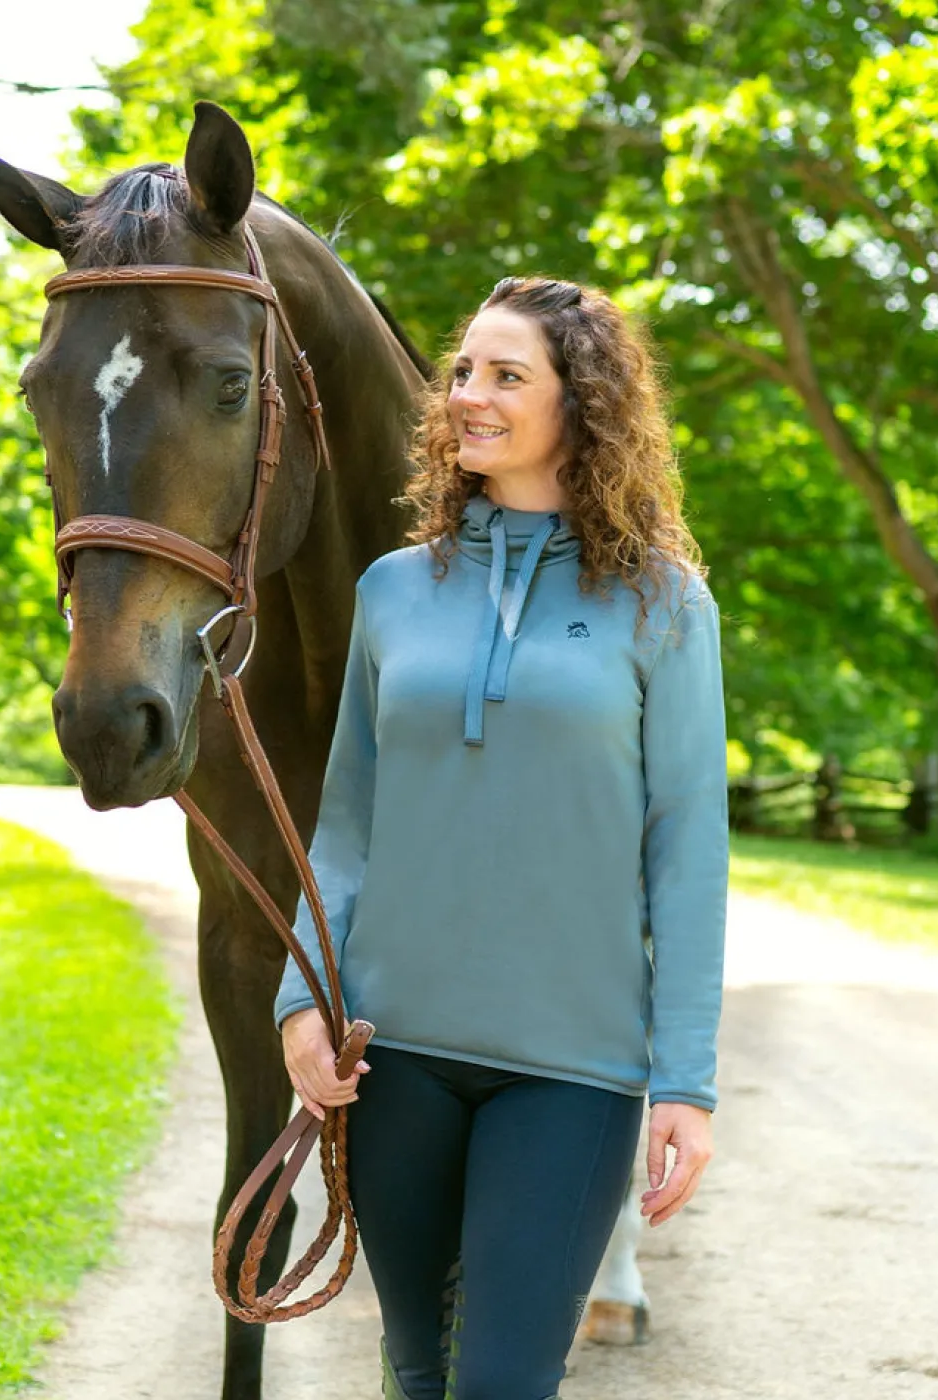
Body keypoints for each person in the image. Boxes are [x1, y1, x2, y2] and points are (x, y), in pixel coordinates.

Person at [275, 276, 728, 1400]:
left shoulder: (664, 604)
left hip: (571, 1068)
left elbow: (687, 850)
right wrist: (300, 997)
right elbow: (346, 823)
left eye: (506, 375)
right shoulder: (391, 592)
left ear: (584, 403)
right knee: (416, 1371)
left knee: (501, 1382)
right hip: (392, 1055)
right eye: (463, 371)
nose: (468, 395)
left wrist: (685, 1080)